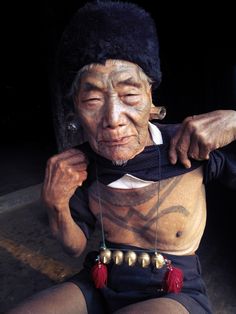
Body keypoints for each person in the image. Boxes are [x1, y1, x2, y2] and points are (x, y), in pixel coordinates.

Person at [8, 1, 236, 314]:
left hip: (174, 290)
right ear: (75, 110)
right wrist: (56, 205)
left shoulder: (190, 146)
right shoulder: (79, 166)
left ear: (151, 97)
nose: (113, 118)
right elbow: (75, 247)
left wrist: (235, 121)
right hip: (99, 280)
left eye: (130, 96)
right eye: (92, 100)